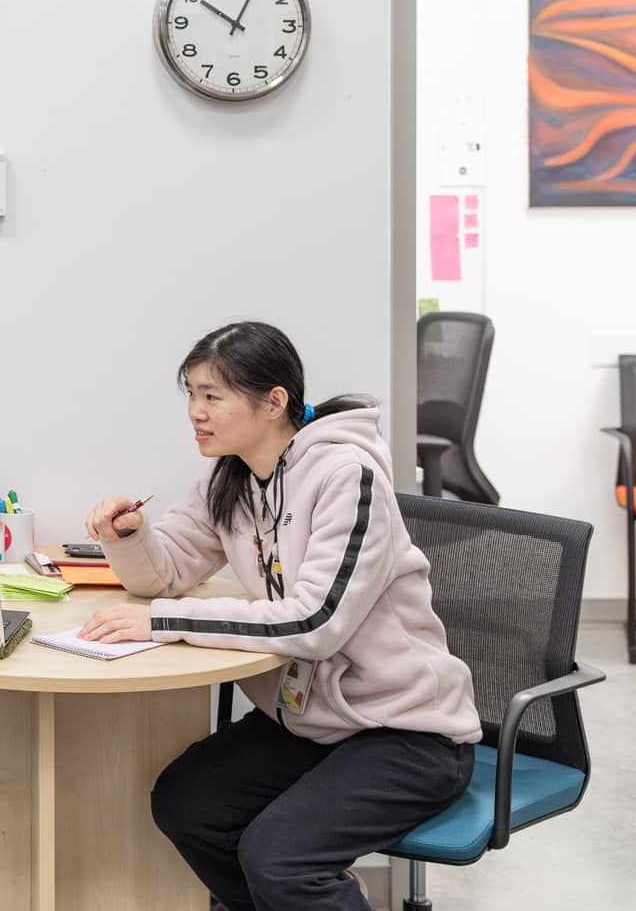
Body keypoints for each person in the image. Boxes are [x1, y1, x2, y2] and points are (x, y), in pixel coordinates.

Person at [79, 321, 478, 911]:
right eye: (191, 393)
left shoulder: (348, 476)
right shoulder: (230, 476)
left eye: (213, 396)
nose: (196, 412)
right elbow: (166, 574)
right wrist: (131, 539)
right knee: (187, 804)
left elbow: (314, 624)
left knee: (281, 858)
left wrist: (162, 621)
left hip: (407, 733)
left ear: (274, 402)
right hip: (313, 723)